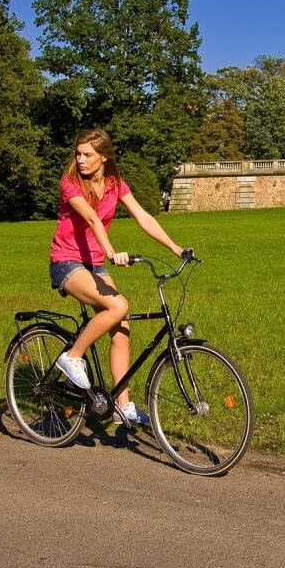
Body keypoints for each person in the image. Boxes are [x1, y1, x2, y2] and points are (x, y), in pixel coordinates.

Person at [49, 129, 186, 427]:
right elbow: (91, 218)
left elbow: (143, 216)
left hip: (93, 264)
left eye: (88, 154)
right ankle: (72, 357)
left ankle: (122, 407)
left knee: (121, 328)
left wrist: (175, 247)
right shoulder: (70, 183)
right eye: (78, 153)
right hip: (67, 262)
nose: (80, 159)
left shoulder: (115, 184)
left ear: (104, 157)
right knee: (118, 307)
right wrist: (111, 251)